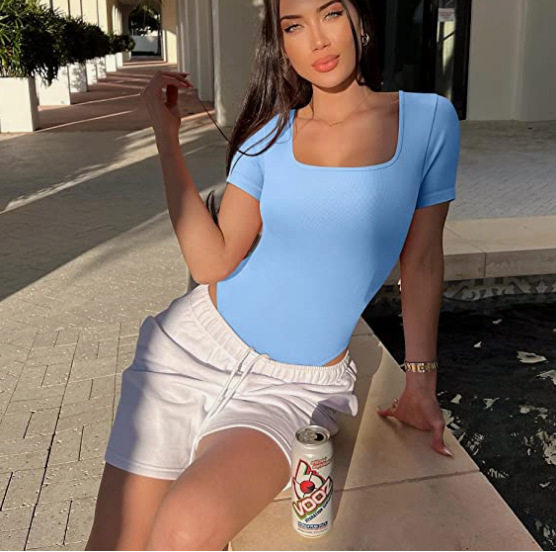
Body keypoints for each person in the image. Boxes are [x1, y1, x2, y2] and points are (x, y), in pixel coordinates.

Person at [85, 0, 461, 549]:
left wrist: (420, 383)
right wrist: (167, 138)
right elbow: (212, 263)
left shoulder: (428, 120)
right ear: (281, 45)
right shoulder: (268, 135)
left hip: (292, 390)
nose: (318, 40)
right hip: (190, 353)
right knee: (113, 543)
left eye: (330, 14)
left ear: (360, 19)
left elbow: (422, 258)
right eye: (294, 26)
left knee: (183, 529)